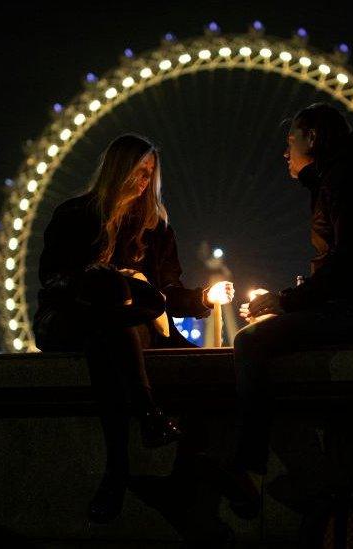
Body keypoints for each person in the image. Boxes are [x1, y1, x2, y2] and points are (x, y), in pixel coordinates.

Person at [32, 133, 234, 523]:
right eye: (138, 171)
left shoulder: (156, 229)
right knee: (110, 316)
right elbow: (51, 277)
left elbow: (169, 293)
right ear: (117, 170)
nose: (143, 182)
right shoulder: (74, 215)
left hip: (127, 325)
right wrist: (99, 277)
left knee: (117, 330)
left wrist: (204, 298)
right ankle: (150, 420)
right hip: (72, 316)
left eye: (150, 175)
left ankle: (119, 470)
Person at [226, 103, 353, 518]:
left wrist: (286, 300)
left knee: (252, 341)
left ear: (312, 138)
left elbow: (349, 261)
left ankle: (250, 468)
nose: (285, 152)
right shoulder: (340, 178)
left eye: (290, 140)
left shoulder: (347, 180)